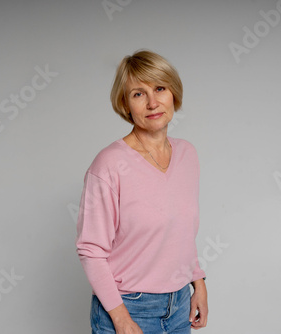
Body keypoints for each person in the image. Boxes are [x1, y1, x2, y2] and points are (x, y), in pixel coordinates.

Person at [76, 50, 208, 333]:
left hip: (180, 304)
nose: (152, 102)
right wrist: (121, 318)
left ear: (173, 92)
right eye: (138, 94)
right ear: (125, 104)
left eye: (160, 88)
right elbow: (91, 250)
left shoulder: (187, 154)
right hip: (128, 308)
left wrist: (198, 282)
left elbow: (181, 231)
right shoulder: (109, 164)